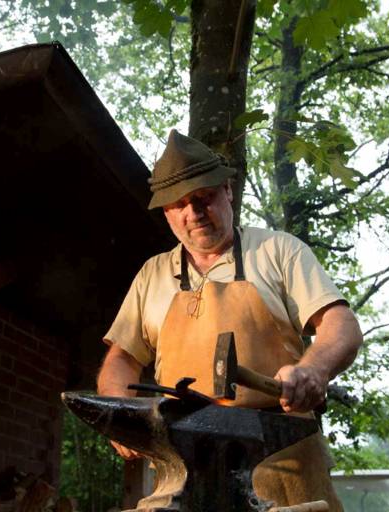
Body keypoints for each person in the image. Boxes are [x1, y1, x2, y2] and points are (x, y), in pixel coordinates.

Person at [97, 129, 363, 509]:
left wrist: (313, 370)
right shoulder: (152, 275)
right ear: (167, 212)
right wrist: (119, 411)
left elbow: (341, 325)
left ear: (227, 191)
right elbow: (122, 358)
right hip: (182, 468)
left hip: (280, 461)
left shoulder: (277, 251)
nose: (193, 213)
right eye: (179, 204)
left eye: (203, 197)